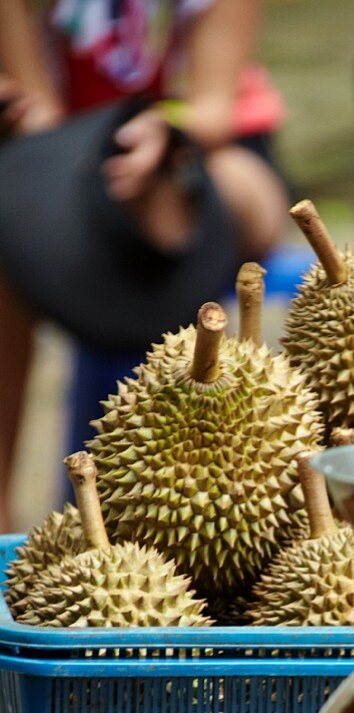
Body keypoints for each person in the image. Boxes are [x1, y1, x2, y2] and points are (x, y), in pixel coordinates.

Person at [0, 0, 290, 533]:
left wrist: (163, 128)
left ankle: (192, 495)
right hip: (63, 174)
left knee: (181, 193)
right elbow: (37, 119)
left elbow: (212, 111)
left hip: (195, 161)